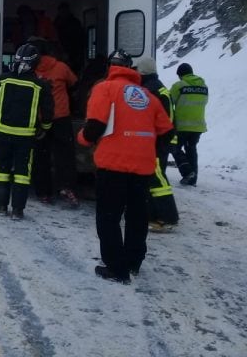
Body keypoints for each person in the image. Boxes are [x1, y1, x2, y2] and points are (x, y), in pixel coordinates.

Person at [77, 50, 173, 284]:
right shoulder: (147, 95)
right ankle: (133, 262)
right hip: (142, 166)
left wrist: (83, 139)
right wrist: (147, 146)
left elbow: (96, 125)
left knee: (109, 217)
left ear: (110, 67)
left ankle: (116, 268)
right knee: (137, 216)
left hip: (113, 164)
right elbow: (167, 131)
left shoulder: (104, 88)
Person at [0, 43, 54, 220]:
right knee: (22, 173)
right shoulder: (39, 85)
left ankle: (0, 206)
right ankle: (17, 210)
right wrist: (45, 128)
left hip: (2, 134)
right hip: (25, 137)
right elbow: (48, 110)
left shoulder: (2, 80)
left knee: (2, 169)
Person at [29, 38, 80, 208]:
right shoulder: (61, 67)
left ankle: (44, 192)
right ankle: (66, 187)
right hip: (61, 117)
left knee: (40, 156)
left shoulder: (30, 70)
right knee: (64, 155)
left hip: (39, 118)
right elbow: (74, 83)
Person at [134, 56, 180, 232]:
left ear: (143, 71)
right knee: (152, 179)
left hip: (156, 142)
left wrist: (156, 140)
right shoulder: (157, 88)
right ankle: (153, 215)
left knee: (158, 181)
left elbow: (163, 121)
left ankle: (167, 217)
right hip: (158, 141)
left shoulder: (151, 90)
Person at [170, 62, 208, 186]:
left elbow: (169, 102)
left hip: (182, 125)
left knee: (174, 147)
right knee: (191, 149)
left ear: (180, 75)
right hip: (198, 126)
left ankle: (187, 172)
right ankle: (193, 179)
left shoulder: (179, 86)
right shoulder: (204, 86)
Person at [54, 1, 86, 73]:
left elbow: (80, 40)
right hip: (59, 53)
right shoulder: (56, 23)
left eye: (64, 11)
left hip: (74, 53)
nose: (62, 13)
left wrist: (76, 56)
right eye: (61, 11)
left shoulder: (75, 23)